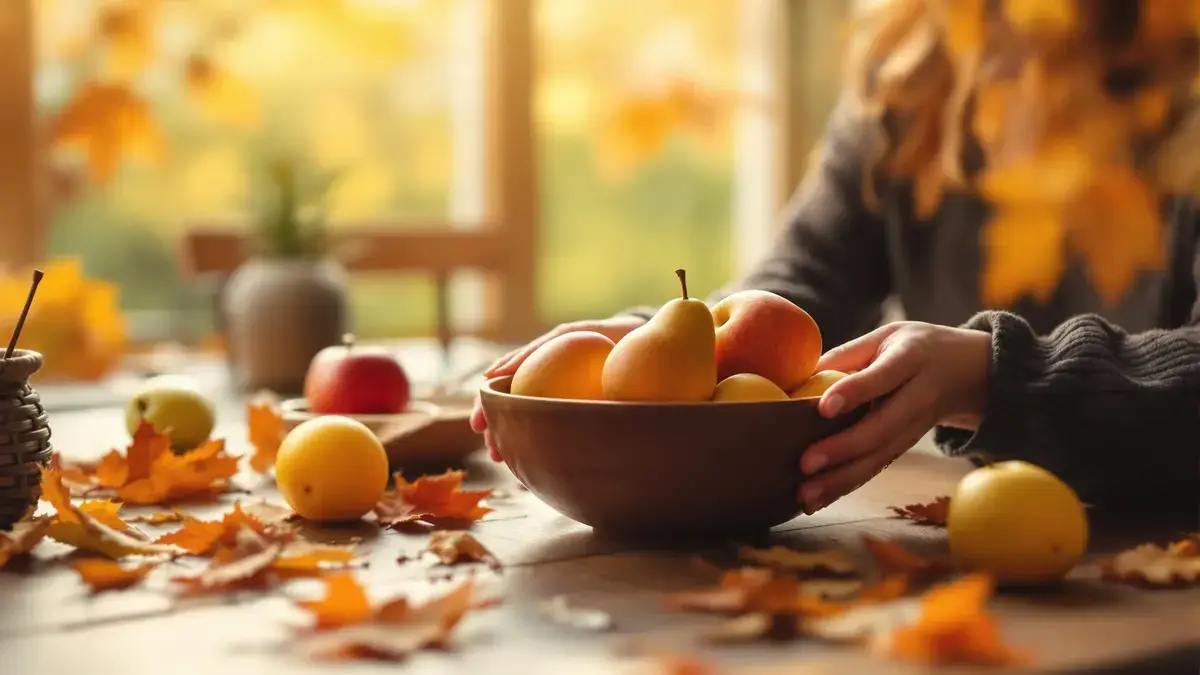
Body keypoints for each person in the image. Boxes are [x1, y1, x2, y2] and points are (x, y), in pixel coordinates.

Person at [470, 0, 1200, 514]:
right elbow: (799, 290)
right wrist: (650, 347)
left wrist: (992, 373)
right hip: (965, 546)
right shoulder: (914, 75)